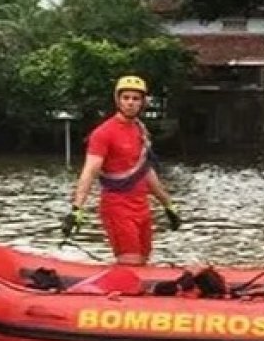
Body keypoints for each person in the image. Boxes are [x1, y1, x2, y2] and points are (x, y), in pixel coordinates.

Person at [62, 75, 181, 265]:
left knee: (143, 261)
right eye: (126, 98)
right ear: (118, 100)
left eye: (135, 98)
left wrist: (168, 205)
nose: (130, 103)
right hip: (117, 207)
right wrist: (77, 209)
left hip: (142, 207)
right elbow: (89, 171)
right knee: (130, 261)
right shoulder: (103, 133)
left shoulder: (140, 130)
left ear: (143, 102)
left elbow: (146, 172)